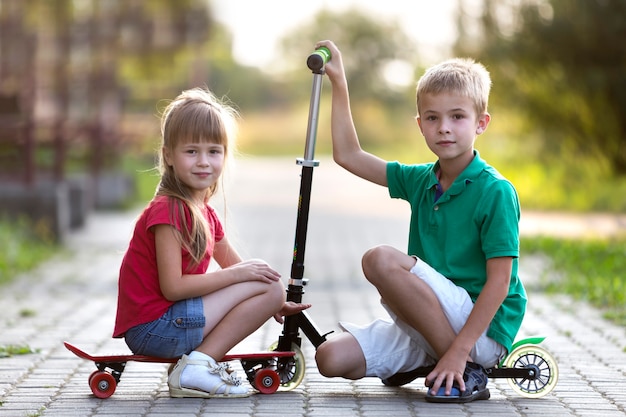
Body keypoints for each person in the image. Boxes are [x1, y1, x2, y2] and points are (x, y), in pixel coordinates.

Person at [313, 40, 526, 403]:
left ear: (481, 123)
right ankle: (433, 359)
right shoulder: (420, 180)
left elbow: (499, 284)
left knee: (379, 259)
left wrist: (460, 351)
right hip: (427, 321)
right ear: (420, 125)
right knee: (329, 357)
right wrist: (340, 82)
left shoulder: (495, 191)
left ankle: (464, 368)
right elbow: (348, 155)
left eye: (457, 116)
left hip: (480, 331)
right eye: (432, 118)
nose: (444, 128)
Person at [112, 87, 310, 398]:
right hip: (153, 329)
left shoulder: (204, 212)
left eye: (213, 151)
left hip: (168, 323)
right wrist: (248, 280)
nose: (204, 162)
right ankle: (198, 365)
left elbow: (240, 269)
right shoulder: (168, 210)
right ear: (168, 156)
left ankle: (196, 363)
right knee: (266, 283)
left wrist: (272, 302)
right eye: (191, 151)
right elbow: (173, 288)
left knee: (268, 284)